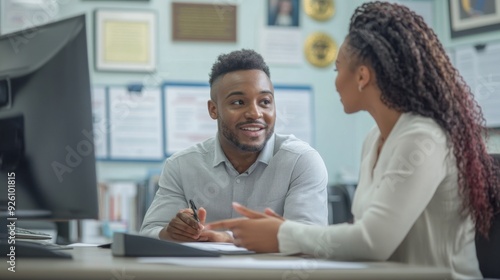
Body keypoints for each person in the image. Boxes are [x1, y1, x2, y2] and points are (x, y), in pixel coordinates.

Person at [207, 2, 500, 279]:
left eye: (337, 70)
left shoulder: (423, 137)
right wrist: (272, 232)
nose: (335, 82)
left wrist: (282, 234)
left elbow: (373, 241)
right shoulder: (375, 140)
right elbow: (364, 231)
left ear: (361, 76)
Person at [140, 49, 328, 243]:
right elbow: (149, 233)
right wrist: (170, 233)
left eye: (265, 102)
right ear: (213, 110)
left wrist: (229, 238)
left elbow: (309, 239)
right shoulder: (181, 166)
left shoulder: (301, 161)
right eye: (238, 102)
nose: (255, 113)